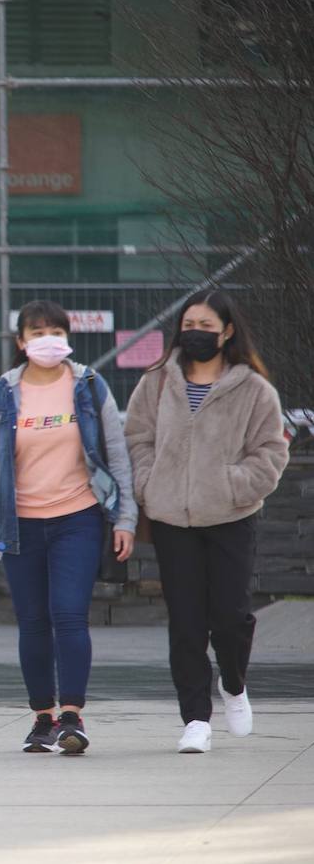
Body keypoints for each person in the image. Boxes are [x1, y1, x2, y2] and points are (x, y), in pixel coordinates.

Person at [0, 300, 137, 755]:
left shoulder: (89, 386)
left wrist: (125, 518)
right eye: (36, 331)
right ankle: (42, 717)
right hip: (20, 524)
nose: (47, 339)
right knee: (33, 622)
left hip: (77, 518)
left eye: (56, 331)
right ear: (21, 342)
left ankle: (72, 716)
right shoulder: (1, 394)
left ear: (68, 338)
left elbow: (116, 455)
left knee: (68, 613)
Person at [124, 289, 288, 754]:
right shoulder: (158, 381)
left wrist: (234, 484)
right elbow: (137, 436)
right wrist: (149, 482)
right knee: (187, 622)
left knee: (232, 617)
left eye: (205, 327)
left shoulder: (253, 389)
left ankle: (234, 684)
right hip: (173, 516)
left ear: (227, 331)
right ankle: (195, 719)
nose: (194, 334)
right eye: (188, 326)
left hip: (231, 516)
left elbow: (272, 452)